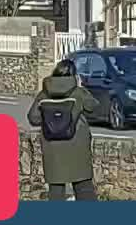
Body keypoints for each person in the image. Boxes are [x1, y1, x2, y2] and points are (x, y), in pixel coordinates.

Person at [27, 59, 98, 200]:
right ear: (74, 75)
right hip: (77, 146)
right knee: (83, 186)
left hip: (53, 147)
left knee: (56, 189)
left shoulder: (44, 94)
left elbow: (33, 118)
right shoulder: (79, 92)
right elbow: (94, 108)